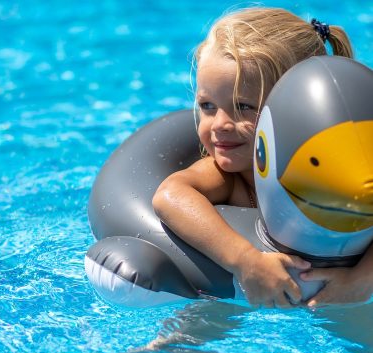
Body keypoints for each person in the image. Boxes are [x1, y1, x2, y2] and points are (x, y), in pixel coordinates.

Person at [153, 7, 371, 308]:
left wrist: (361, 280)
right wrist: (246, 260)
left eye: (243, 106)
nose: (220, 125)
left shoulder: (340, 176)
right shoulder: (227, 177)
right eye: (207, 105)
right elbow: (169, 195)